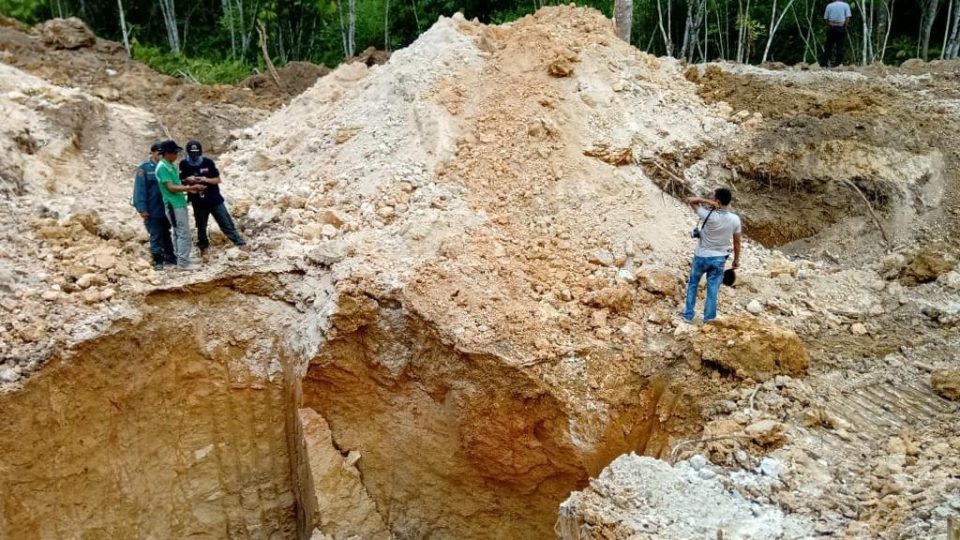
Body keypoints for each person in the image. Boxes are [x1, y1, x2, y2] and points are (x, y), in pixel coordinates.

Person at [178, 140, 247, 257]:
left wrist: (205, 179)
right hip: (198, 200)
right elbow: (182, 180)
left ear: (200, 152)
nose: (194, 156)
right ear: (188, 153)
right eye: (192, 153)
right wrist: (189, 180)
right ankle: (203, 248)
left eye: (196, 153)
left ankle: (240, 243)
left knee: (225, 222)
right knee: (201, 226)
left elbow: (217, 179)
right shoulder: (184, 164)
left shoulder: (208, 162)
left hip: (214, 199)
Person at [683, 188, 742, 323]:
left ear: (717, 200)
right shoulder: (735, 220)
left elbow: (690, 200)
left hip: (701, 256)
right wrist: (736, 260)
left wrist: (705, 201)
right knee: (713, 289)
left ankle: (688, 315)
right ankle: (709, 319)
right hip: (719, 259)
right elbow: (737, 243)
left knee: (693, 284)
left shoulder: (706, 214)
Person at [155, 140, 206, 269]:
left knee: (178, 232)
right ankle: (183, 263)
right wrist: (190, 188)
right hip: (173, 204)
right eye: (175, 153)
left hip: (178, 202)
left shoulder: (170, 165)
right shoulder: (162, 167)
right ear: (167, 153)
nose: (177, 155)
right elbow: (171, 187)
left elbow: (175, 182)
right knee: (183, 232)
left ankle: (182, 259)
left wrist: (186, 181)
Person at [132, 143, 176, 271]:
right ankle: (158, 259)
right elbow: (139, 190)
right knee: (155, 234)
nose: (160, 155)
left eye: (162, 153)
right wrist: (142, 208)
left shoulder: (166, 167)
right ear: (152, 153)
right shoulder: (144, 169)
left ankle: (170, 255)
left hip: (166, 207)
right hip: (152, 207)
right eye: (158, 153)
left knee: (166, 232)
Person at [821, 0, 852, 68]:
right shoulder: (845, 5)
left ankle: (824, 63)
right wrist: (844, 26)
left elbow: (826, 18)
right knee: (840, 46)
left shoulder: (829, 6)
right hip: (841, 27)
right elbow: (847, 18)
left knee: (828, 46)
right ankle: (838, 64)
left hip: (831, 27)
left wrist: (829, 24)